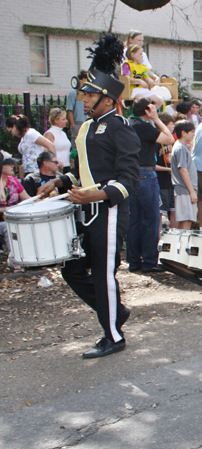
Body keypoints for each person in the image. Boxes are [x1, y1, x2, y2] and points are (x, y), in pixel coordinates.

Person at [36, 35, 140, 359]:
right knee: (72, 269)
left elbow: (129, 180)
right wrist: (58, 182)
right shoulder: (84, 129)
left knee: (104, 272)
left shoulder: (121, 127)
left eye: (90, 94)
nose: (83, 99)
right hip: (83, 212)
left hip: (108, 213)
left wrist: (95, 194)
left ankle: (113, 335)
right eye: (83, 93)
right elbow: (81, 172)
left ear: (108, 99)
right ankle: (115, 312)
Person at [127, 97, 174, 273]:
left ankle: (133, 261)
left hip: (131, 174)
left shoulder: (128, 124)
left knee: (134, 220)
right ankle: (149, 261)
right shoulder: (144, 126)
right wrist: (156, 119)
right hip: (145, 173)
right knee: (151, 219)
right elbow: (169, 139)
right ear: (148, 110)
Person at [1, 155, 31, 260]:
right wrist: (9, 209)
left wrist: (42, 200)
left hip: (14, 217)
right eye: (8, 164)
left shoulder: (13, 181)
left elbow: (27, 199)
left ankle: (31, 258)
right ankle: (17, 261)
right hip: (4, 220)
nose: (12, 166)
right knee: (8, 227)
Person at [171, 120, 197, 230]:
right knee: (186, 220)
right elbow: (183, 169)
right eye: (191, 131)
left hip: (184, 189)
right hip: (184, 189)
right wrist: (192, 192)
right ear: (183, 133)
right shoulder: (180, 148)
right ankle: (182, 245)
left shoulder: (181, 147)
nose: (193, 134)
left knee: (186, 219)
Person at [155, 112, 177, 229]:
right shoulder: (156, 142)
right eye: (171, 124)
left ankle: (174, 239)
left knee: (174, 211)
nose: (173, 126)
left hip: (171, 180)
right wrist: (169, 169)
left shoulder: (172, 140)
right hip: (161, 181)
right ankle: (158, 239)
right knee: (160, 213)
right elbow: (152, 165)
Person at [44, 108, 72, 172]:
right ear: (56, 120)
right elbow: (46, 151)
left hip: (67, 166)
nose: (66, 121)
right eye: (63, 119)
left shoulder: (63, 133)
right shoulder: (50, 134)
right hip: (57, 168)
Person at [66, 70, 89, 148]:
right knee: (77, 144)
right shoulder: (73, 93)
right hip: (78, 123)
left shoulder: (88, 93)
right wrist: (73, 125)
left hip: (88, 122)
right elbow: (69, 110)